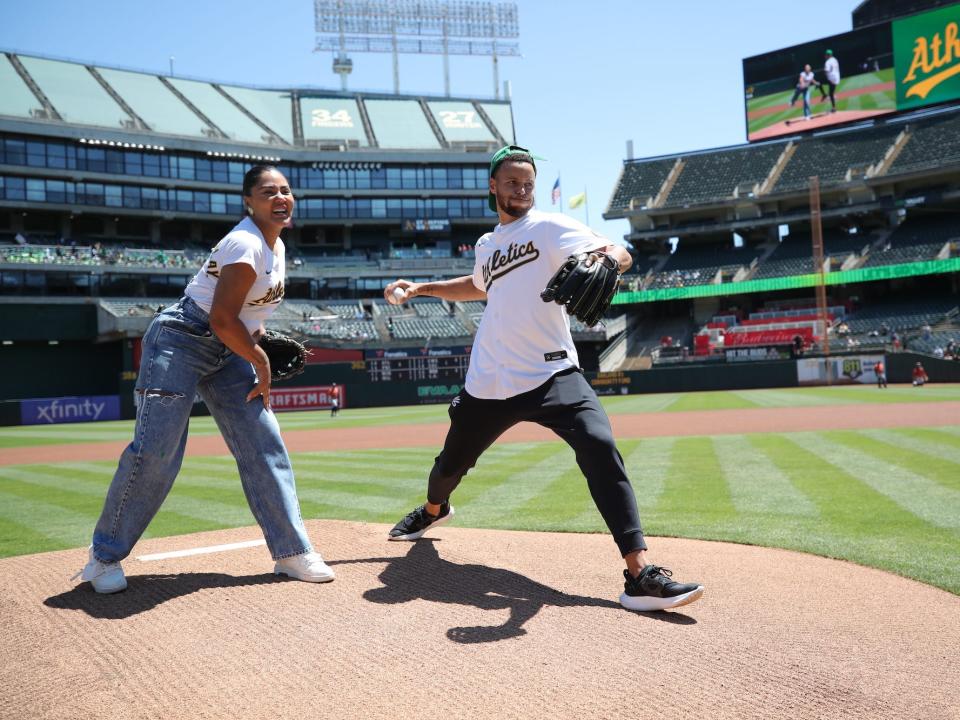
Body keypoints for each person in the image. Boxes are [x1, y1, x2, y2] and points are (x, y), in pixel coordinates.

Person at [382, 145, 704, 612]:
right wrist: (423, 288)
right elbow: (479, 285)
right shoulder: (488, 244)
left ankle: (639, 575)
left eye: (528, 182)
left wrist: (610, 260)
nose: (522, 189)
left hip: (553, 372)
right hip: (489, 380)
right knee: (448, 468)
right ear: (493, 186)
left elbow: (618, 250)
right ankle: (434, 511)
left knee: (599, 445)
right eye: (512, 182)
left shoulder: (551, 227)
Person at [73, 165, 334, 593]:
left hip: (229, 347)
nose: (280, 198)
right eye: (269, 192)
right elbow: (219, 317)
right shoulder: (245, 243)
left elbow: (244, 317)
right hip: (183, 340)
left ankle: (290, 550)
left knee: (262, 442)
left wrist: (257, 339)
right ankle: (102, 559)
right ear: (248, 201)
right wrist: (262, 361)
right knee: (157, 452)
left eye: (286, 191)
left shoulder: (277, 246)